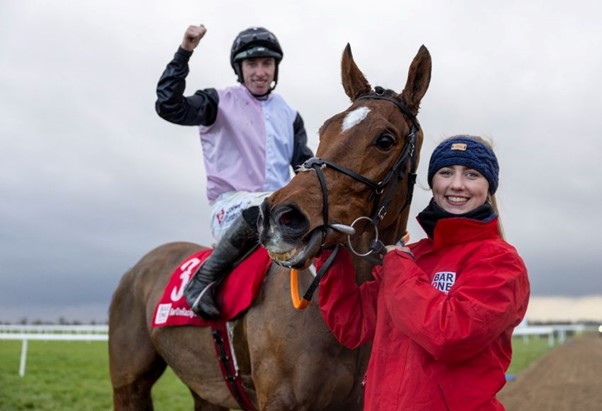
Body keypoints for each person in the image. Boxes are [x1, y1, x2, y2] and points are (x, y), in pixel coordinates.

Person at [316, 135, 530, 410]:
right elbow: (353, 325)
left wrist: (400, 268)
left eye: (472, 174)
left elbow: (450, 336)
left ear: (489, 187)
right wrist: (333, 253)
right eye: (446, 172)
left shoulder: (501, 262)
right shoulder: (412, 255)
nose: (456, 184)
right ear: (432, 183)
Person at [155, 24, 313, 319]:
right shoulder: (216, 101)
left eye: (267, 63)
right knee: (267, 206)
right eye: (251, 64)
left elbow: (304, 165)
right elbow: (168, 105)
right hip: (230, 207)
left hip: (279, 208)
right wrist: (185, 50)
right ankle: (202, 280)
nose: (260, 72)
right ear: (240, 69)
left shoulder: (290, 115)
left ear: (275, 68)